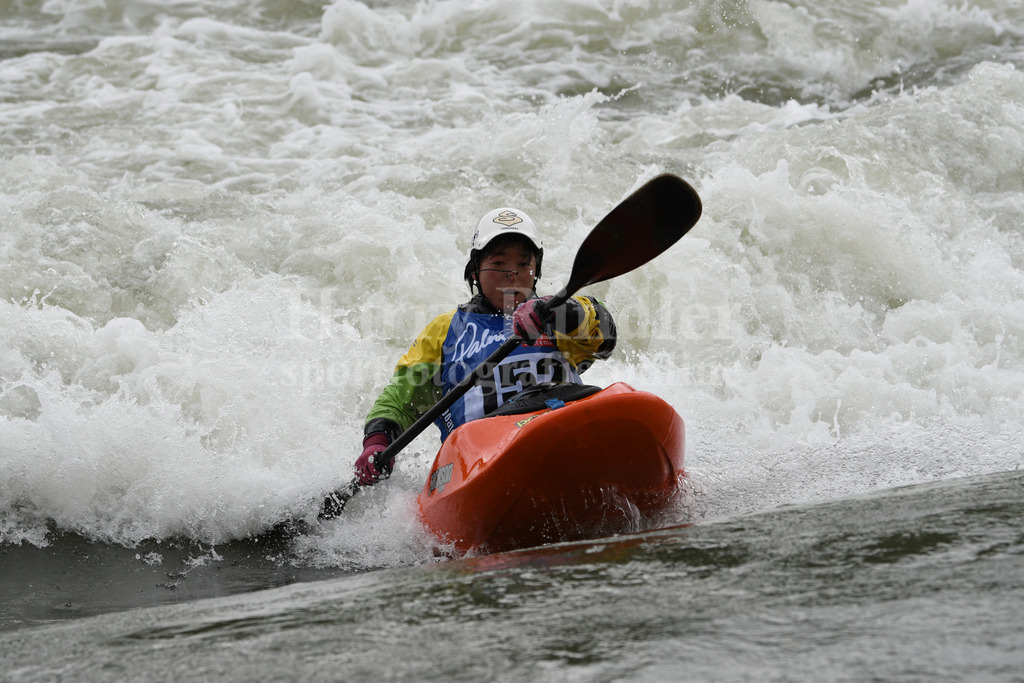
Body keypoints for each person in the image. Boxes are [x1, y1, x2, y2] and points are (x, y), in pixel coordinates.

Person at [354, 207, 617, 485]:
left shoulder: (559, 316)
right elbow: (400, 399)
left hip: (562, 425)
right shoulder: (445, 330)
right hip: (480, 457)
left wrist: (558, 311)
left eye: (523, 263)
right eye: (499, 263)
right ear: (476, 271)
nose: (511, 274)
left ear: (536, 272)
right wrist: (377, 440)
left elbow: (606, 339)